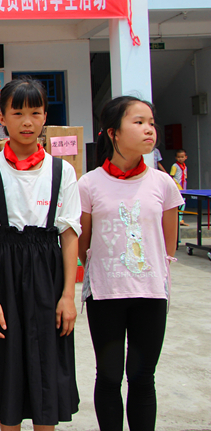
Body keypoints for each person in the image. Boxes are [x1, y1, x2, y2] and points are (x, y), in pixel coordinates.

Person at [0, 77, 80, 431]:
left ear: (45, 116)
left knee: (47, 369)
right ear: (2, 117)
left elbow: (69, 233)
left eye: (35, 112)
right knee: (9, 372)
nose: (27, 122)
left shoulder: (62, 171)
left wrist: (68, 295)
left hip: (48, 274)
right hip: (5, 273)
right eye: (17, 113)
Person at [78, 96, 182, 431]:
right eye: (138, 122)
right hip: (105, 295)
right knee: (109, 377)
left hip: (150, 295)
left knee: (142, 377)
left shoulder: (163, 184)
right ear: (113, 133)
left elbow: (168, 244)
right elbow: (84, 245)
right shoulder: (89, 184)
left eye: (151, 122)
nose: (149, 129)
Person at [169, 149, 189, 226]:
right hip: (177, 187)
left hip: (183, 187)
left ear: (186, 157)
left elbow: (185, 177)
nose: (180, 158)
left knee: (183, 203)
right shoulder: (175, 166)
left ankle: (180, 219)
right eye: (178, 157)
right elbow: (171, 177)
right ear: (176, 158)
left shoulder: (185, 166)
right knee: (179, 203)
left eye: (182, 157)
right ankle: (177, 219)